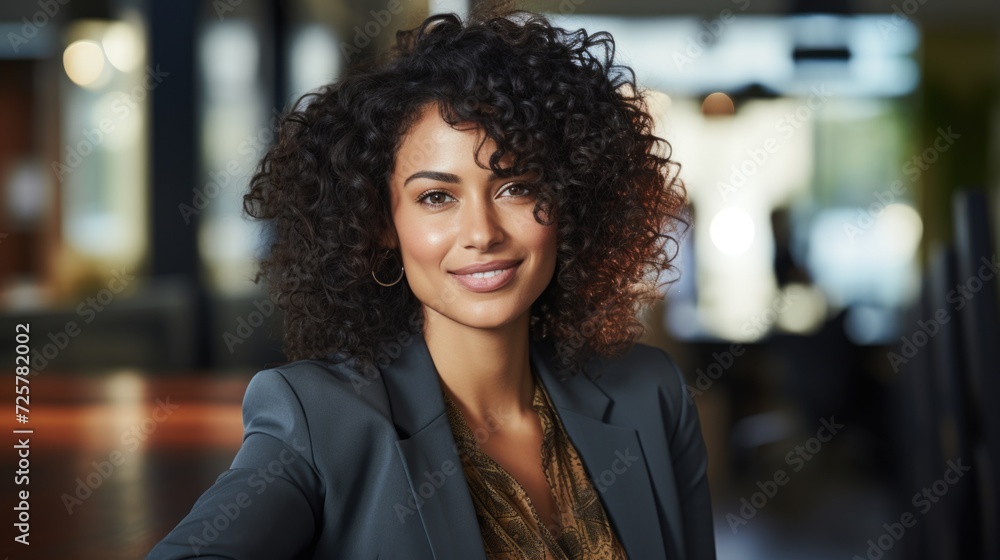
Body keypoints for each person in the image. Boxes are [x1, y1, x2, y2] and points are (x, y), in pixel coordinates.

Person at [147, 2, 715, 559]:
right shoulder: (317, 418)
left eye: (516, 186)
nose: (481, 233)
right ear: (380, 224)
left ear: (570, 199)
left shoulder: (651, 393)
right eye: (436, 197)